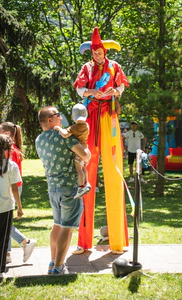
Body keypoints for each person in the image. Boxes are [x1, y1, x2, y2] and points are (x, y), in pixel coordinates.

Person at [73, 27, 129, 254]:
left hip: (110, 118)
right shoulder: (86, 68)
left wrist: (116, 91)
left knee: (114, 174)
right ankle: (83, 242)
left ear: (104, 51)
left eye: (100, 51)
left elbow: (122, 84)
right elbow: (79, 88)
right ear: (91, 52)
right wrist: (90, 93)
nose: (97, 55)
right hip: (92, 120)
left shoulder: (114, 66)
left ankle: (118, 241)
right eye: (94, 52)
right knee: (87, 175)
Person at [35, 106, 91, 275]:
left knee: (57, 225)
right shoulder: (62, 135)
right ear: (49, 120)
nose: (61, 118)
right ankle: (59, 267)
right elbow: (86, 155)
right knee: (66, 227)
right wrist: (85, 153)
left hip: (53, 188)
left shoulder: (39, 140)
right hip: (70, 187)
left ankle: (53, 263)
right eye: (57, 115)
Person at [0, 122, 37, 263]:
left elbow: (9, 174)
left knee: (4, 221)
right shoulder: (12, 148)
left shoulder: (11, 151)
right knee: (5, 221)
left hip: (10, 188)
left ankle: (25, 242)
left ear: (7, 133)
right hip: (11, 187)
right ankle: (7, 253)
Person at [0, 134, 23, 278]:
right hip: (5, 207)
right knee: (1, 240)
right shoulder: (12, 165)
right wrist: (20, 207)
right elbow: (15, 189)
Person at [54, 103, 90, 200]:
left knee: (79, 170)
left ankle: (81, 187)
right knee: (83, 168)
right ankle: (86, 182)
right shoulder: (86, 125)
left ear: (72, 116)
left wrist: (58, 128)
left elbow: (65, 135)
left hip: (79, 151)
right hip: (86, 148)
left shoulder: (74, 127)